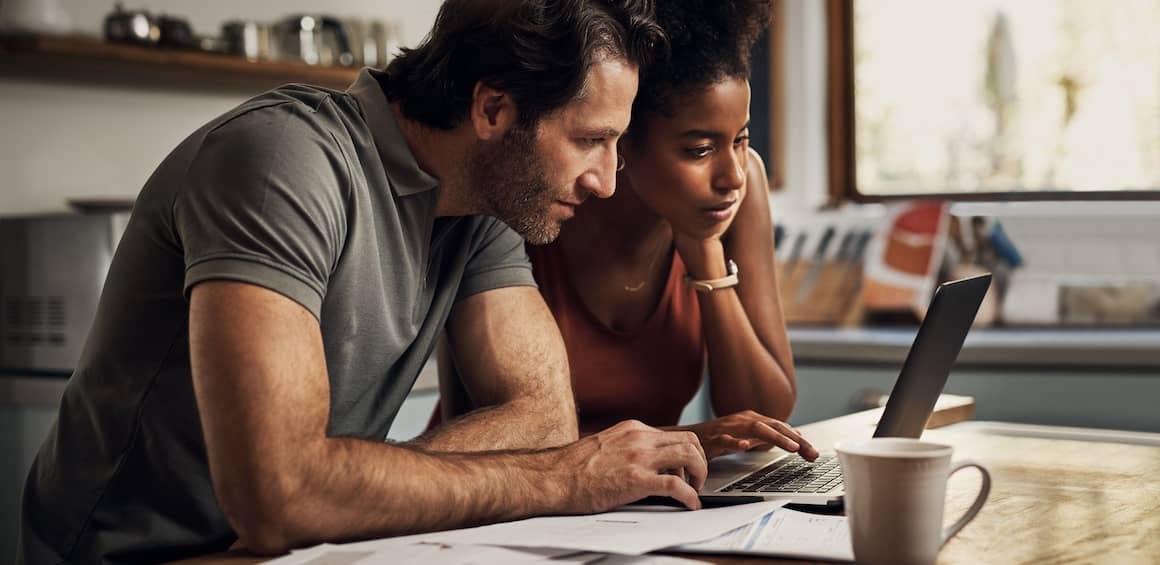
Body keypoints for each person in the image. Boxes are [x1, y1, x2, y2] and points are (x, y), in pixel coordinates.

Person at [18, 2, 713, 563]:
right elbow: (281, 494)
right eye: (590, 139)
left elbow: (542, 418)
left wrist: (341, 488)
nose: (607, 179)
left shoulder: (486, 200)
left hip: (298, 548)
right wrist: (560, 478)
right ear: (494, 111)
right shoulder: (283, 162)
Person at [435, 0, 819, 462]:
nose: (732, 175)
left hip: (636, 506)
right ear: (622, 136)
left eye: (741, 138)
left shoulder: (736, 191)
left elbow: (764, 415)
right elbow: (489, 433)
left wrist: (705, 256)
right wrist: (689, 439)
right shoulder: (532, 199)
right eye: (699, 149)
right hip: (494, 497)